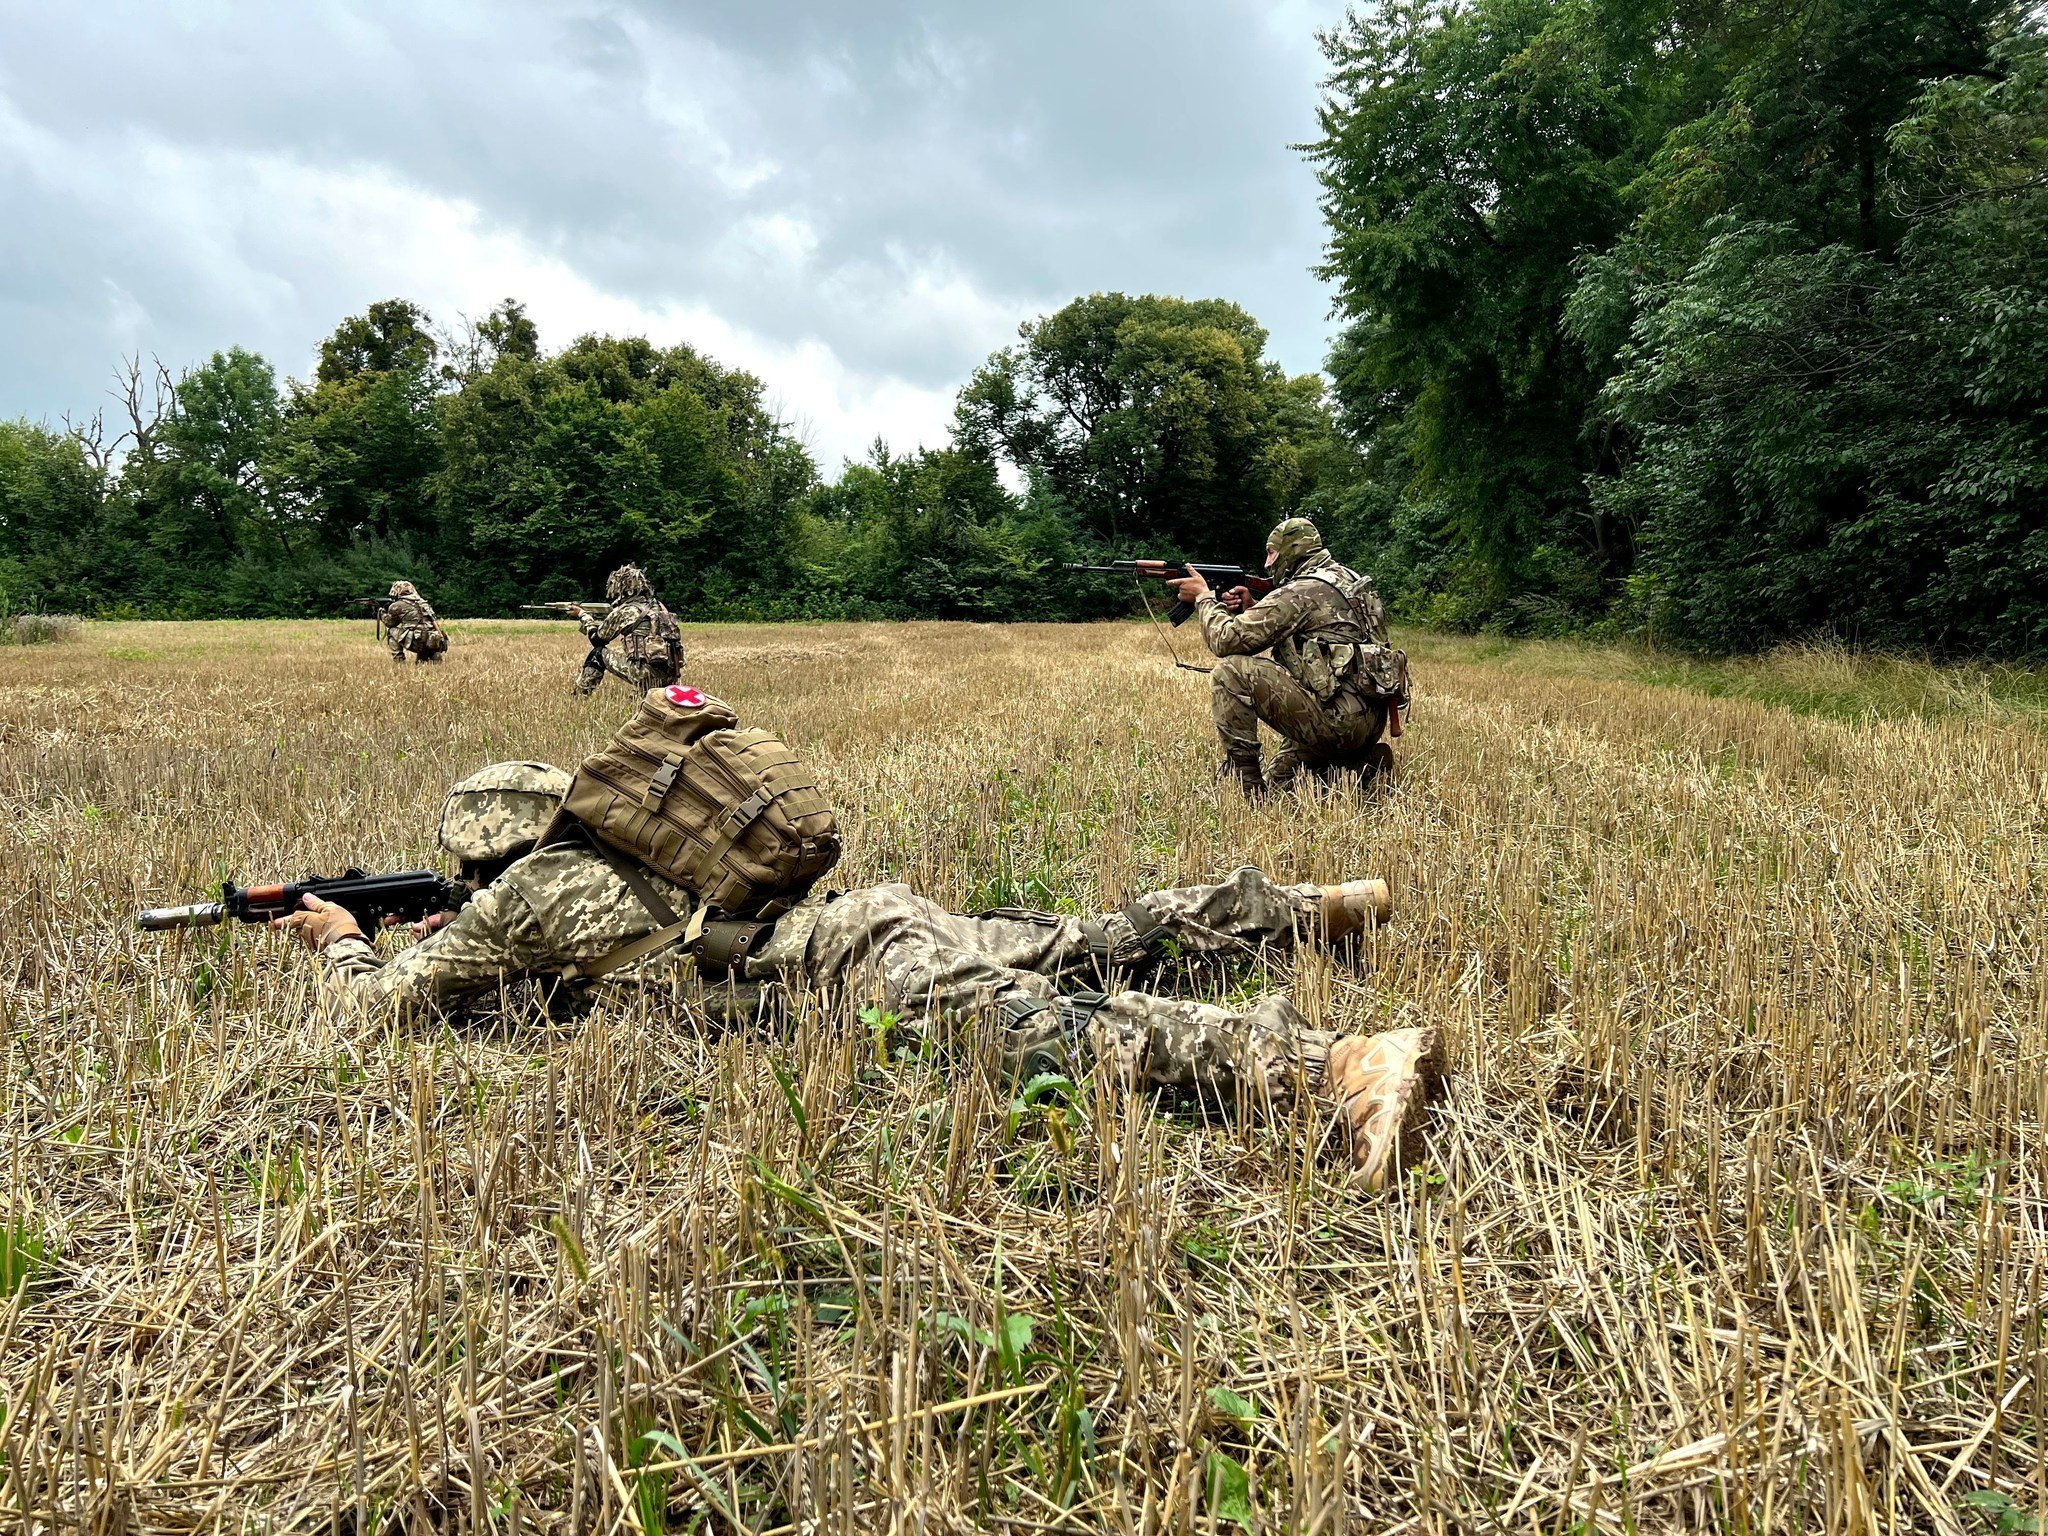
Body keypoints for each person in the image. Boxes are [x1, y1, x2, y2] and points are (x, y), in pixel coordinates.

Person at [272, 761, 1445, 1188]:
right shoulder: (637, 850)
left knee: (1054, 1030)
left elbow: (383, 1014)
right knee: (1089, 935)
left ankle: (1329, 1063)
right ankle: (1311, 906)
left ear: (486, 853)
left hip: (843, 972)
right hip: (864, 921)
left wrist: (342, 941)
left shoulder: (521, 900)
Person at [1164, 518, 1395, 797]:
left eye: (1272, 553)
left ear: (1291, 550)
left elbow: (1225, 640)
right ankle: (1360, 766)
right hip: (1368, 722)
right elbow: (1317, 638)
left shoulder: (1301, 590)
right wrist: (1255, 608)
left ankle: (1247, 790)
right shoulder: (1348, 580)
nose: (1267, 564)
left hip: (1336, 722)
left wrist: (1203, 598)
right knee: (1283, 784)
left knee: (1230, 672)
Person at [572, 565, 682, 696]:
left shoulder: (626, 611)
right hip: (671, 676)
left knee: (597, 654)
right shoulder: (659, 607)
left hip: (645, 674)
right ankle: (643, 693)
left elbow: (597, 639)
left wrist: (583, 616)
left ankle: (579, 696)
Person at [381, 580, 448, 664]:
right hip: (432, 640)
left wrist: (381, 613)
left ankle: (399, 661)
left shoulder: (397, 605)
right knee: (424, 636)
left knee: (391, 631)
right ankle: (432, 657)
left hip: (416, 640)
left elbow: (390, 623)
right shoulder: (424, 603)